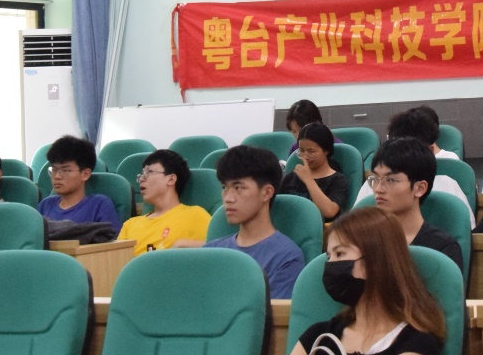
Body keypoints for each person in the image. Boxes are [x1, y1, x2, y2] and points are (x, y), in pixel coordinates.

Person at [286, 206, 445, 355]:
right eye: (329, 257)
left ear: (375, 261)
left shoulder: (416, 342)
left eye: (340, 253)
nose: (330, 265)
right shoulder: (318, 336)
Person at [201, 145, 305, 298]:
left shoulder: (286, 257)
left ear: (266, 192)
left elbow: (274, 312)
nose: (228, 198)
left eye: (238, 188)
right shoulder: (210, 251)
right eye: (224, 187)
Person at [365, 137, 463, 273]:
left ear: (420, 188)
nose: (378, 189)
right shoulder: (363, 242)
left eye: (390, 180)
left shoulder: (442, 248)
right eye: (375, 179)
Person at [354, 108, 472, 220]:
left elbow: (465, 229)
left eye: (391, 180)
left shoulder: (448, 185)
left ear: (430, 151)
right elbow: (352, 227)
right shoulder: (371, 185)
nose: (378, 189)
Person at [118, 149, 210, 254]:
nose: (142, 179)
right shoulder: (130, 225)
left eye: (149, 172)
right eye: (141, 174)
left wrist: (185, 245)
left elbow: (218, 248)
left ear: (171, 179)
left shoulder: (195, 215)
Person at [36, 136, 122, 232]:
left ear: (85, 174)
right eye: (54, 170)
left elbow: (112, 240)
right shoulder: (45, 205)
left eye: (65, 170)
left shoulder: (99, 205)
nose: (57, 176)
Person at [279, 122, 350, 220]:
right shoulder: (292, 177)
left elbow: (329, 212)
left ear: (326, 150)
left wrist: (308, 180)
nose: (305, 156)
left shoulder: (338, 180)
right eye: (301, 151)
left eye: (311, 151)